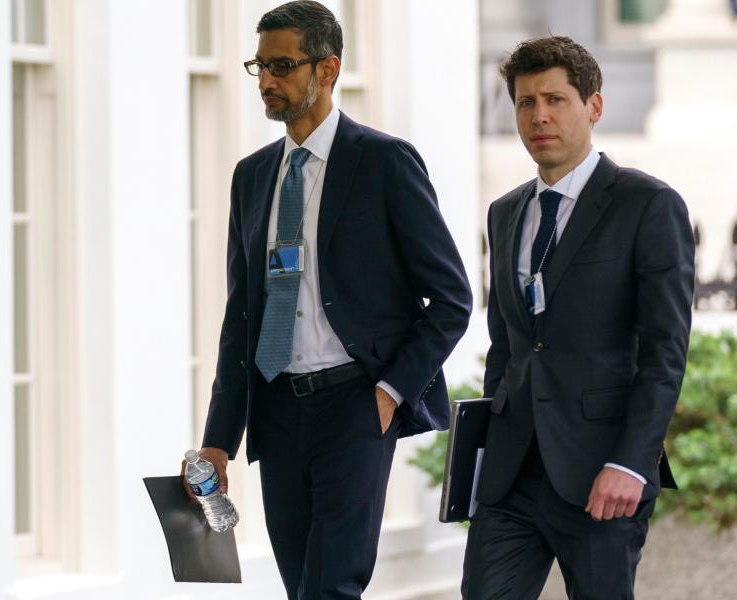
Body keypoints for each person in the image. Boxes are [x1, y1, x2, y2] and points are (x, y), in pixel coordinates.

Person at [183, 2, 472, 599]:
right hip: (276, 408)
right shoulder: (252, 176)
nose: (267, 81)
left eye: (283, 66)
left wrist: (391, 392)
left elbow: (451, 298)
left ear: (329, 68)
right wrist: (218, 438)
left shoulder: (384, 163)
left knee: (332, 587)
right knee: (301, 587)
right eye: (259, 67)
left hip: (355, 405)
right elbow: (242, 317)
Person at [461, 36, 694, 599]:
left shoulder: (648, 205)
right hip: (512, 479)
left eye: (555, 99)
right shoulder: (505, 212)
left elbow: (665, 352)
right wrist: (487, 453)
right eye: (524, 102)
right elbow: (507, 345)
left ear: (593, 106)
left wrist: (632, 465)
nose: (539, 116)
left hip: (601, 476)